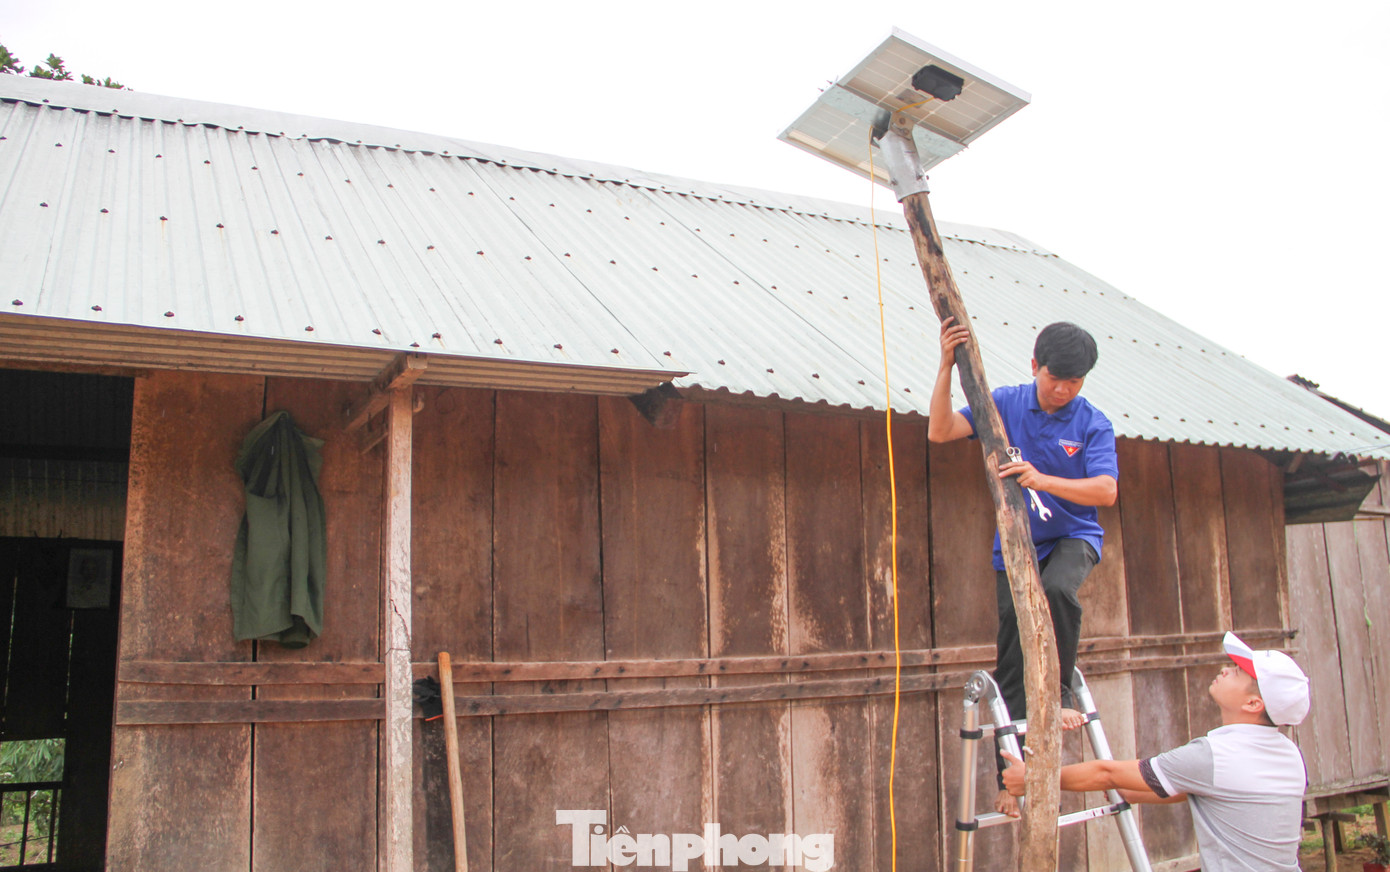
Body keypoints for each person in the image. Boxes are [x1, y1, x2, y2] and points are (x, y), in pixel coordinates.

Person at [928, 319, 1119, 816]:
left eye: (1075, 383)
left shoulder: (1093, 422)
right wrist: (947, 365)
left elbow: (1106, 491)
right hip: (1016, 546)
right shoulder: (1007, 403)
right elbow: (941, 430)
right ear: (1035, 366)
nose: (1063, 390)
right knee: (1011, 664)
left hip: (1074, 538)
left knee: (1058, 591)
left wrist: (1043, 479)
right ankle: (1008, 786)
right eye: (1055, 378)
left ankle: (1056, 696)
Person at [1002, 632, 1311, 872]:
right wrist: (1131, 788)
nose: (1225, 669)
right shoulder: (1289, 755)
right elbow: (1207, 793)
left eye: (1238, 672)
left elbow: (1105, 771)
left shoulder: (1215, 755)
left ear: (1254, 704)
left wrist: (1033, 779)